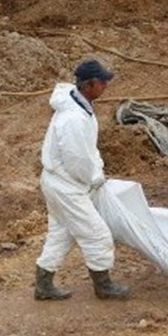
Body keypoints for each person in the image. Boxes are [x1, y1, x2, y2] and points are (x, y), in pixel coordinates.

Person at [34, 58, 130, 300]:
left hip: (59, 181)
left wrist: (94, 169)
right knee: (97, 234)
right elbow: (78, 160)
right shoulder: (74, 119)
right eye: (102, 82)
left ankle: (43, 285)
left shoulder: (79, 106)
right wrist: (94, 177)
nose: (105, 85)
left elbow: (87, 150)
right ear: (89, 85)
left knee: (62, 233)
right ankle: (103, 286)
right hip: (67, 185)